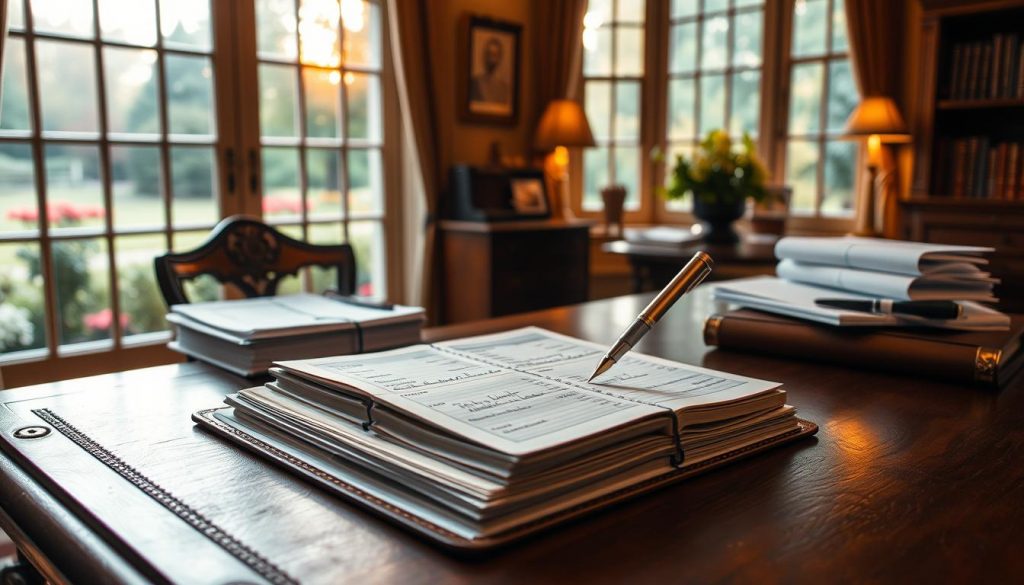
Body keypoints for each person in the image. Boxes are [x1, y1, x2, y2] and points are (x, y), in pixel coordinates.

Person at [470, 36, 510, 106]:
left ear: (499, 58)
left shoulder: (504, 88)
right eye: (488, 54)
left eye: (494, 55)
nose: (490, 59)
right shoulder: (475, 82)